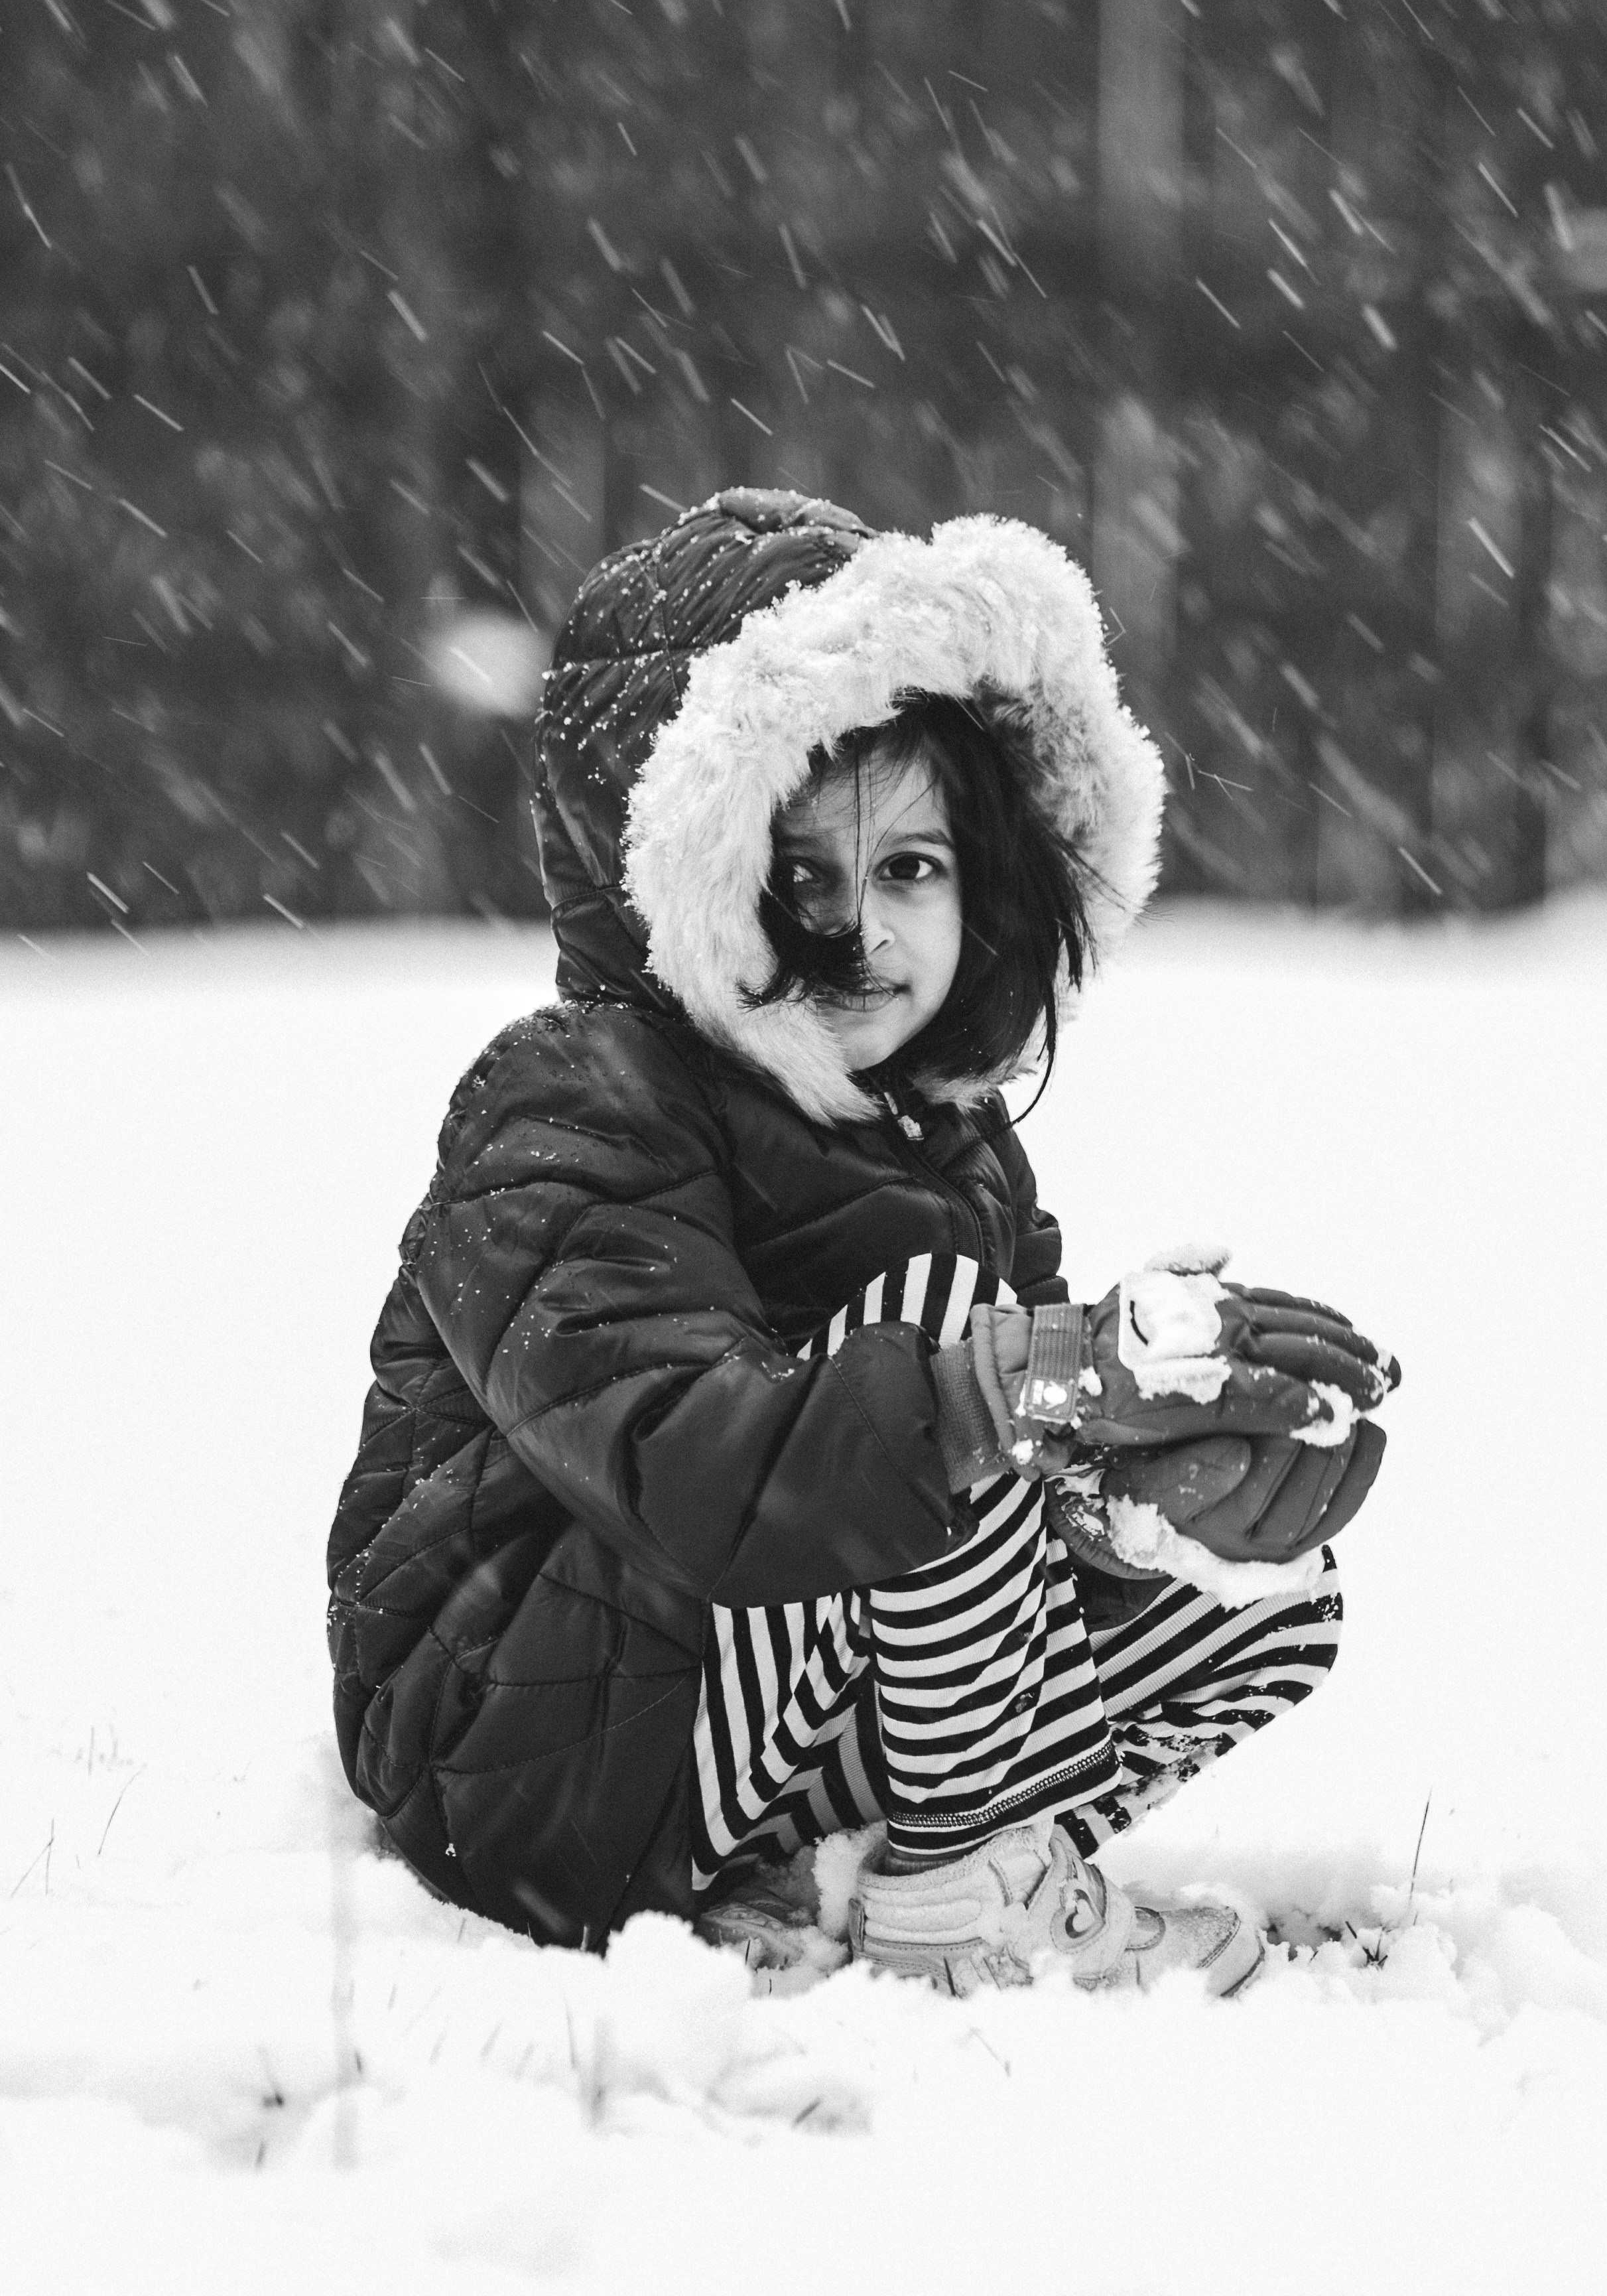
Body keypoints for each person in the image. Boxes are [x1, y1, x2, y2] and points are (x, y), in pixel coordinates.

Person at [326, 488, 1396, 1997]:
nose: (871, 933)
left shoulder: (950, 1137)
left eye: (910, 868)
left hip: (745, 1705)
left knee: (1269, 1598)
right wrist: (1010, 1384)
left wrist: (1128, 1503)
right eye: (804, 877)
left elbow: (990, 1532)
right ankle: (957, 1889)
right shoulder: (573, 1096)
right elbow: (681, 1456)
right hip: (533, 1752)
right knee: (945, 1366)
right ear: (688, 880)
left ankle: (876, 1868)